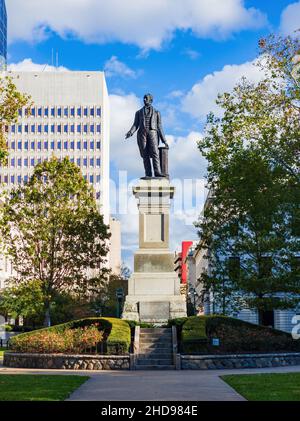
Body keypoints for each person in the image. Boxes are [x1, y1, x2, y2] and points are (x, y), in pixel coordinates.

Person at [126, 93, 169, 178]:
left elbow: (159, 126)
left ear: (151, 100)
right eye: (144, 98)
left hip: (153, 133)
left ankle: (157, 172)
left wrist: (164, 140)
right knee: (145, 154)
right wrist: (130, 132)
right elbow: (135, 124)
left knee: (155, 152)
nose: (144, 100)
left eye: (146, 98)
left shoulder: (157, 112)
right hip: (142, 133)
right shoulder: (138, 112)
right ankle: (148, 173)